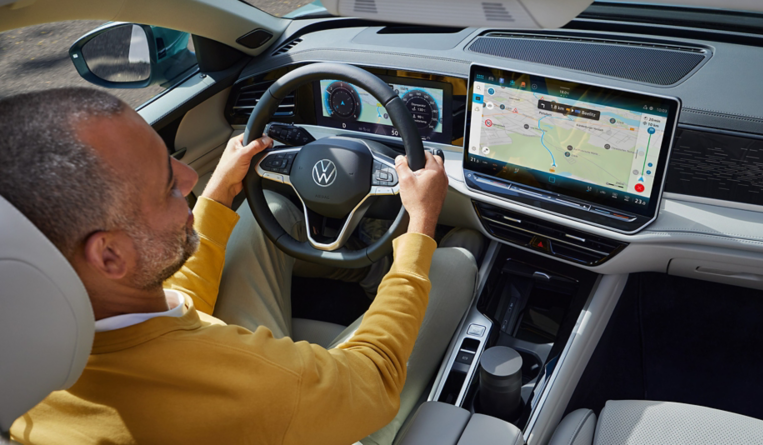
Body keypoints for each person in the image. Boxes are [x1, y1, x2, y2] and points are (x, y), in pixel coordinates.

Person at [1, 88, 478, 444]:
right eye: (169, 186)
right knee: (453, 264)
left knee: (265, 212)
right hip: (325, 416)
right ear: (109, 255)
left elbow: (171, 302)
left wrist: (217, 194)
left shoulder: (25, 363)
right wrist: (420, 227)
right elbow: (372, 378)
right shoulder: (257, 387)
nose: (190, 179)